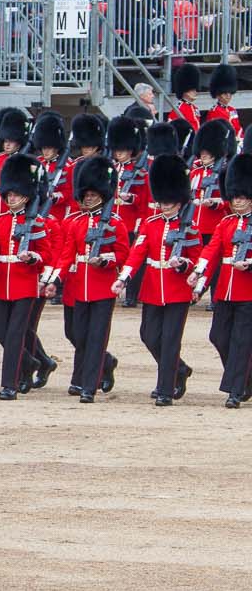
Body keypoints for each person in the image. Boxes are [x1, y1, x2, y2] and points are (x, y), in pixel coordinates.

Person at [115, 153, 200, 406]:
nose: (164, 205)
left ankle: (165, 389)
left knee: (171, 340)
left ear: (179, 201)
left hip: (177, 289)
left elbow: (197, 258)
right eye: (162, 201)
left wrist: (185, 265)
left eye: (170, 202)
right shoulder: (150, 224)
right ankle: (179, 370)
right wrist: (124, 277)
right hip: (152, 287)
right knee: (149, 336)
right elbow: (137, 254)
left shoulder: (190, 226)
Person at [0, 156, 54, 399]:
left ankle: (9, 384)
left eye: (16, 195)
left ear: (27, 196)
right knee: (0, 332)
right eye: (9, 194)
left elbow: (46, 253)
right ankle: (29, 363)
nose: (11, 198)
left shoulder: (37, 221)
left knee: (14, 336)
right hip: (3, 283)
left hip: (26, 284)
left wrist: (33, 258)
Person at [57, 154, 125, 403]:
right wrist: (55, 279)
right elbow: (66, 254)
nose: (88, 198)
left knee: (96, 338)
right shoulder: (74, 222)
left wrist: (106, 261)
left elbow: (122, 254)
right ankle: (82, 376)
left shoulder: (115, 223)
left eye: (93, 195)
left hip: (102, 287)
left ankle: (88, 385)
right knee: (79, 335)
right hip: (78, 287)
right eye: (86, 195)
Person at [192, 153, 252, 406]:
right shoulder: (225, 223)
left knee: (241, 341)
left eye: (242, 197)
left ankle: (235, 391)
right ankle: (245, 378)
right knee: (218, 335)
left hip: (249, 291)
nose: (237, 201)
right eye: (234, 197)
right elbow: (211, 251)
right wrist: (198, 275)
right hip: (225, 290)